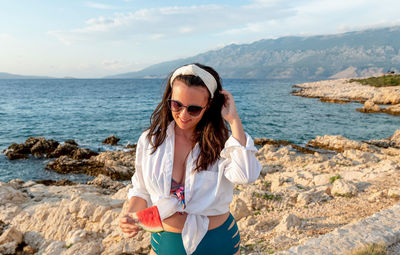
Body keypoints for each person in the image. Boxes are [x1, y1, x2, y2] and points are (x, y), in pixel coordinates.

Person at [119, 63, 261, 255]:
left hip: (218, 242)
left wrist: (234, 120)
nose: (183, 115)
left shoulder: (221, 143)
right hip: (166, 241)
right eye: (176, 105)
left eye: (194, 109)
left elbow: (246, 175)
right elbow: (141, 189)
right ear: (169, 98)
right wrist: (130, 216)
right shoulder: (151, 141)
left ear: (208, 105)